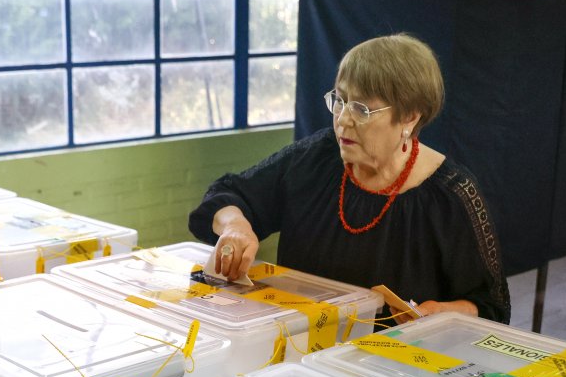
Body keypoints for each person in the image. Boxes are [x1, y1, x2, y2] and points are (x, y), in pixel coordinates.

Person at [189, 34, 510, 326]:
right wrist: (235, 225)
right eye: (339, 101)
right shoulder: (314, 160)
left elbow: (490, 307)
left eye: (361, 108)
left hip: (395, 368)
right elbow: (228, 194)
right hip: (300, 349)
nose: (342, 119)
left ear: (410, 117)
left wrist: (441, 313)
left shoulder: (450, 195)